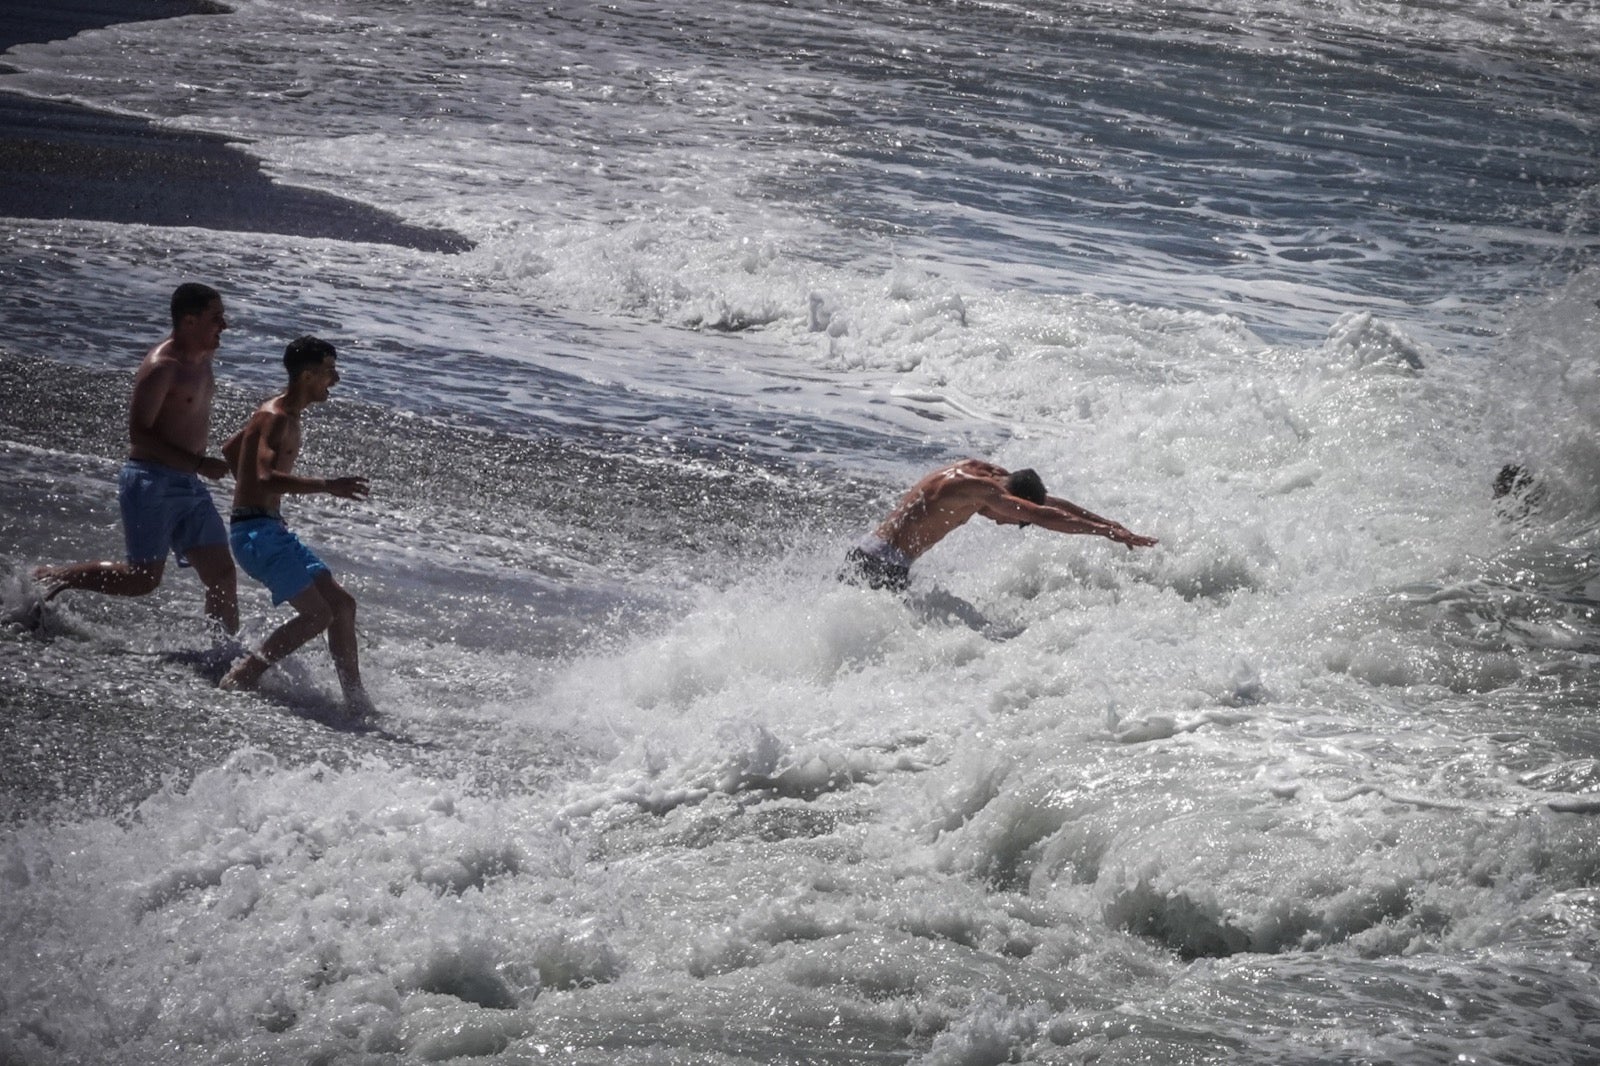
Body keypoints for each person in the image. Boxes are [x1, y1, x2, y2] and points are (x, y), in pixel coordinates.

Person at [32, 283, 240, 635]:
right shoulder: (163, 366)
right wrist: (200, 464)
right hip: (151, 480)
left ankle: (222, 656)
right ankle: (49, 578)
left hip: (188, 484)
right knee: (141, 579)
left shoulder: (203, 360)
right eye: (216, 318)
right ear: (189, 321)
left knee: (222, 574)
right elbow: (139, 434)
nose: (225, 325)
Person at [218, 335, 374, 720]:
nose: (334, 380)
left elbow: (230, 450)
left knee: (342, 605)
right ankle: (243, 675)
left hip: (267, 528)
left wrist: (249, 497)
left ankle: (355, 699)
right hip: (256, 534)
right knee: (319, 615)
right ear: (307, 375)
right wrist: (326, 485)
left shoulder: (272, 412)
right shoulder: (277, 418)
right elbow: (265, 476)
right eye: (328, 371)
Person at [843, 459, 1157, 592]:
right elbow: (1041, 515)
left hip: (876, 558)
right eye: (1013, 518)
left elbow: (1046, 503)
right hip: (880, 566)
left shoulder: (990, 475)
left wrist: (1108, 522)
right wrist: (1103, 533)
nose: (1002, 523)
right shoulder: (984, 489)